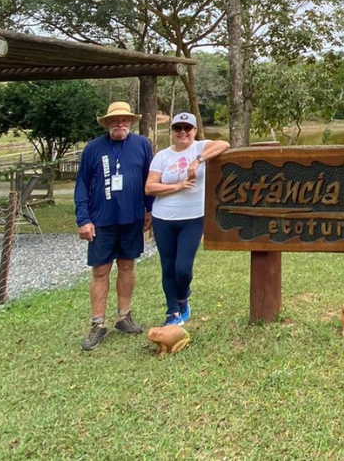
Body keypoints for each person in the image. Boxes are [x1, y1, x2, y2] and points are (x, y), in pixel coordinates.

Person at [74, 101, 153, 351]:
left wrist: (150, 209)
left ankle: (124, 316)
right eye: (115, 120)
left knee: (128, 265)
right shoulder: (93, 149)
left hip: (131, 218)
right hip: (102, 220)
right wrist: (83, 219)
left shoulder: (141, 145)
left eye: (125, 119)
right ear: (108, 122)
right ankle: (98, 323)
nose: (120, 123)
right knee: (100, 270)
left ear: (131, 121)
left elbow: (149, 179)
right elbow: (82, 185)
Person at [145, 112, 229, 326]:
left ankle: (183, 296)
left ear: (194, 130)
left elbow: (224, 144)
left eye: (187, 128)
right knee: (168, 265)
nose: (182, 132)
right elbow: (150, 187)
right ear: (172, 131)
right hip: (163, 217)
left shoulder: (200, 147)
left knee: (183, 268)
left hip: (192, 217)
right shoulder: (162, 156)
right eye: (178, 128)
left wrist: (197, 161)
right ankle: (172, 311)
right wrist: (178, 186)